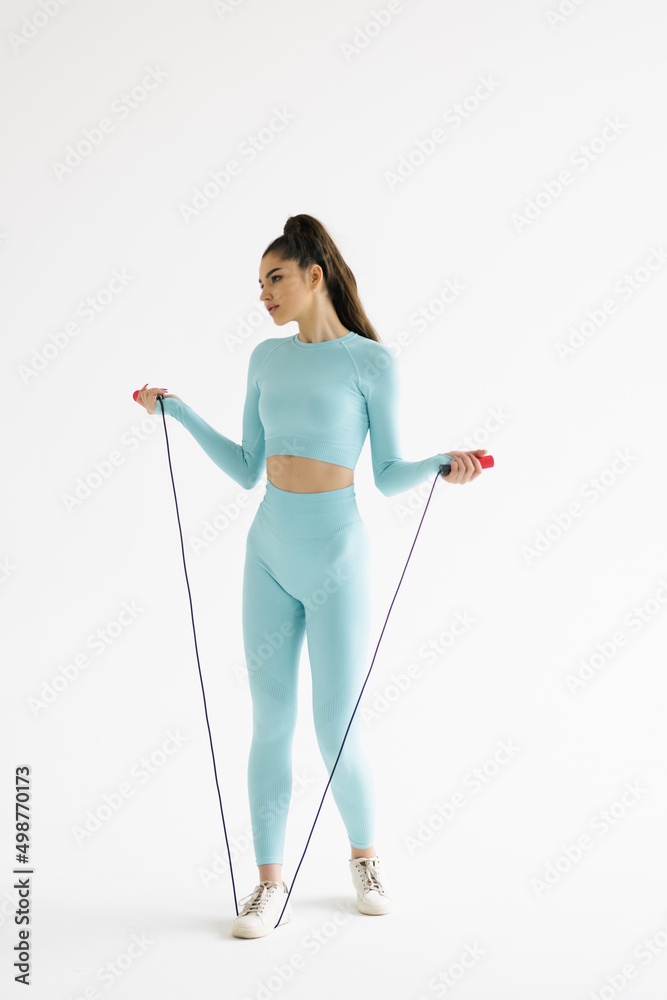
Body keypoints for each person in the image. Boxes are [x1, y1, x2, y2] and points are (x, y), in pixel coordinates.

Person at [134, 213, 486, 939]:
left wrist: (440, 464)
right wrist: (179, 412)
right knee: (271, 721)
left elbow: (388, 474)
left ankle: (366, 860)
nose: (263, 293)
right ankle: (268, 884)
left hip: (337, 553)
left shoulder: (371, 362)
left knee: (335, 725)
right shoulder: (265, 358)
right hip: (267, 549)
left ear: (314, 275)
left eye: (275, 278)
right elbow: (245, 468)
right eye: (259, 283)